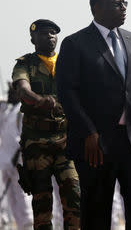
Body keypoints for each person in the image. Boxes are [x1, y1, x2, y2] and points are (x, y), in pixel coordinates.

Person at [56, 0, 131, 230]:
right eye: (117, 4)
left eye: (125, 3)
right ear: (96, 7)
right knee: (97, 209)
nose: (123, 8)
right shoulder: (75, 44)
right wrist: (89, 132)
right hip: (97, 144)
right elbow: (67, 94)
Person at [12, 19, 81, 230]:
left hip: (65, 143)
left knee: (74, 194)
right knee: (42, 202)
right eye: (43, 34)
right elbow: (22, 89)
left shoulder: (67, 64)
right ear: (33, 38)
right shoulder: (25, 63)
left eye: (53, 33)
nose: (50, 37)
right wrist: (38, 99)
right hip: (37, 144)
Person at [0, 84, 33, 230]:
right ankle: (21, 225)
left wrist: (18, 155)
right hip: (6, 162)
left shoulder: (22, 111)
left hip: (18, 162)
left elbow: (25, 136)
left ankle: (28, 224)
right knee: (12, 199)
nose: (9, 95)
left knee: (22, 196)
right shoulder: (8, 111)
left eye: (11, 92)